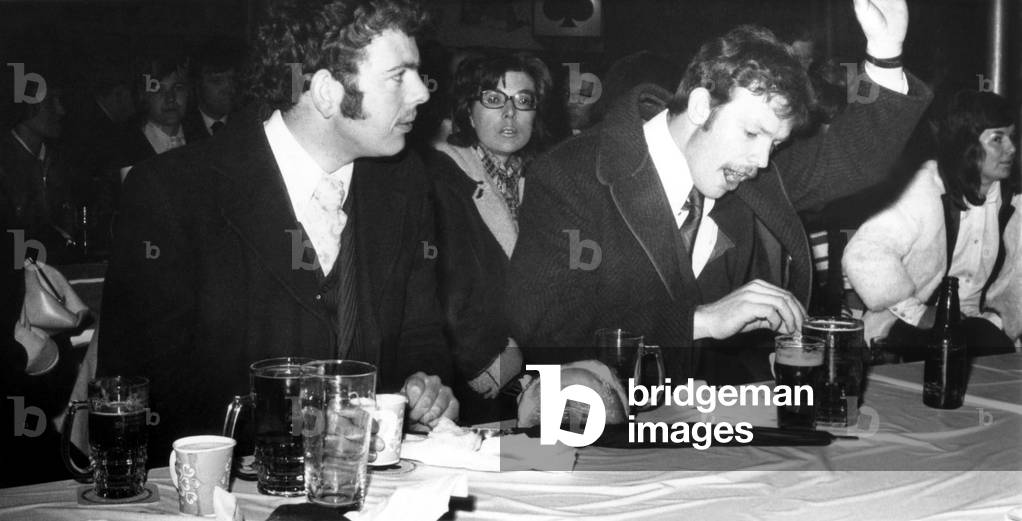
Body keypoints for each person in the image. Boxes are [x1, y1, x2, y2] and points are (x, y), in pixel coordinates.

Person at [99, 0, 457, 464]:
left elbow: (421, 336)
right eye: (398, 76)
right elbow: (136, 394)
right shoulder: (174, 192)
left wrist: (425, 386)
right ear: (327, 92)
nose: (422, 93)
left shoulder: (404, 184)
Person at [507, 0, 933, 384]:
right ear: (699, 106)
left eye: (776, 143)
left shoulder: (751, 172)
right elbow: (544, 330)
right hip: (601, 432)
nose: (763, 161)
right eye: (751, 132)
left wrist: (886, 53)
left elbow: (851, 158)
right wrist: (699, 321)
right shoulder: (569, 176)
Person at [844, 90, 1020, 357]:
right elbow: (865, 253)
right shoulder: (924, 186)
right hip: (907, 332)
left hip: (980, 331)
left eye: (1011, 137)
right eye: (997, 139)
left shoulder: (1015, 201)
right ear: (967, 143)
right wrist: (918, 313)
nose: (1011, 148)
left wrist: (998, 321)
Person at [428, 52, 553, 422]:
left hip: (536, 375)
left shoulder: (545, 177)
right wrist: (508, 374)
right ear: (468, 110)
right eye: (494, 100)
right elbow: (450, 297)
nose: (510, 114)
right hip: (472, 386)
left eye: (523, 101)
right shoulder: (441, 176)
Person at [182, 36, 244, 142]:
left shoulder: (246, 124)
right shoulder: (181, 130)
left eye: (232, 79)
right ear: (197, 84)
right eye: (217, 81)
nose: (229, 88)